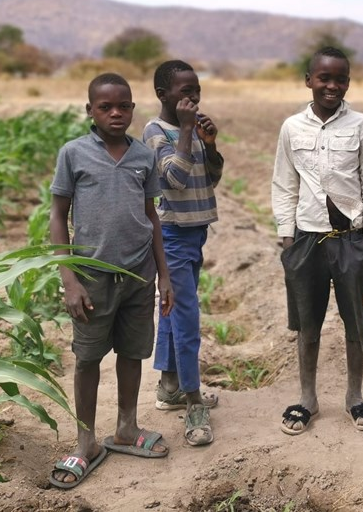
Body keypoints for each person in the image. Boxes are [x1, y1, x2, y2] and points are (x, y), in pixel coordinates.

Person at [48, 72, 173, 489]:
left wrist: (164, 276)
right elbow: (57, 216)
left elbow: (151, 216)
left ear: (133, 109)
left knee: (132, 352)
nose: (116, 113)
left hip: (139, 273)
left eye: (124, 106)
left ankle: (126, 427)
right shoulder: (74, 154)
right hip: (92, 275)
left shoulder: (142, 157)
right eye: (106, 107)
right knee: (87, 358)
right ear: (90, 111)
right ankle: (85, 442)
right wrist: (69, 279)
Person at [271, 46, 363, 435]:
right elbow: (284, 184)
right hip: (306, 241)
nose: (332, 85)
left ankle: (355, 396)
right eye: (324, 78)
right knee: (308, 324)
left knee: (356, 320)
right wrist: (288, 239)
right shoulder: (292, 128)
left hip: (351, 240)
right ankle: (307, 399)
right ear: (308, 80)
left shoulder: (361, 125)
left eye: (340, 79)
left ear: (348, 83)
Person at [143, 60, 223, 446]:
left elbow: (213, 176)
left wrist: (210, 144)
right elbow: (171, 180)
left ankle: (170, 385)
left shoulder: (190, 131)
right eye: (184, 92)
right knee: (187, 317)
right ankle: (193, 405)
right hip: (172, 233)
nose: (192, 98)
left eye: (197, 92)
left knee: (173, 310)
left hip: (196, 231)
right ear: (163, 95)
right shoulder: (156, 132)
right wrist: (188, 131)